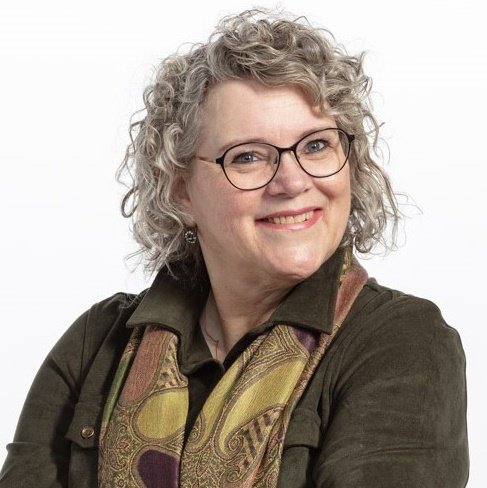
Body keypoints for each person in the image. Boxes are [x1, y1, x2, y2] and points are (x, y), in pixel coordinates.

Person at [0, 8, 468, 488]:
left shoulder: (401, 342)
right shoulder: (96, 343)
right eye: (248, 156)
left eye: (316, 146)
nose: (293, 182)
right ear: (180, 189)